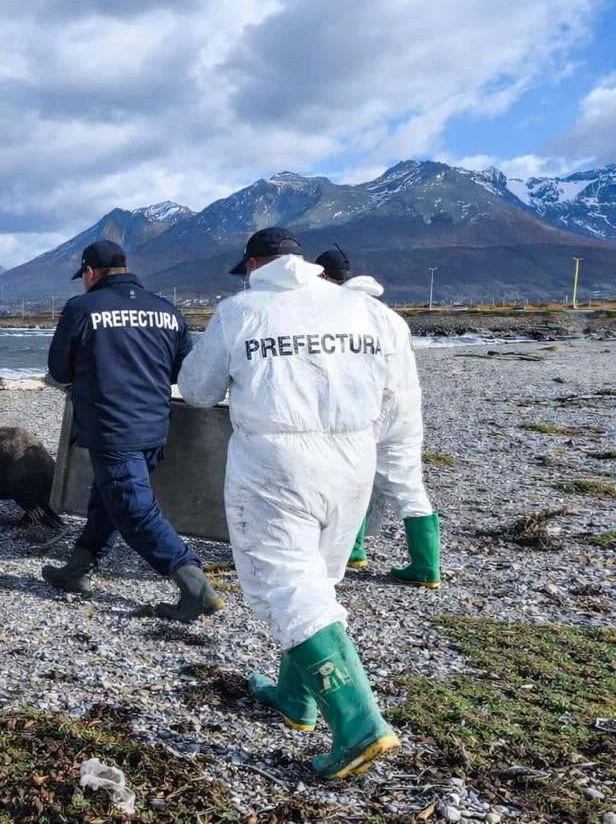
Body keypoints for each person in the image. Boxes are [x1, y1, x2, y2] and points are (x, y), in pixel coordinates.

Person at [178, 228, 402, 779]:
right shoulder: (364, 311)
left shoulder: (242, 310)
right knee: (317, 581)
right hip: (354, 458)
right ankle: (294, 698)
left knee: (287, 588)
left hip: (277, 462)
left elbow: (199, 391)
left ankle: (358, 725)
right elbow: (393, 392)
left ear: (254, 264)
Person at [42, 240, 225, 623]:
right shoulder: (166, 311)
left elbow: (59, 372)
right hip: (155, 427)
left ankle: (194, 585)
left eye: (83, 277)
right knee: (110, 496)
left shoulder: (82, 308)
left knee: (133, 509)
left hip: (110, 427)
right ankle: (78, 568)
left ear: (90, 273)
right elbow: (181, 372)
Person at [314, 247, 441, 587]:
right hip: (406, 406)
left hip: (367, 405)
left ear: (322, 276)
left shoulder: (339, 312)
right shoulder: (390, 316)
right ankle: (426, 566)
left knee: (349, 478)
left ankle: (350, 551)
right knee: (407, 483)